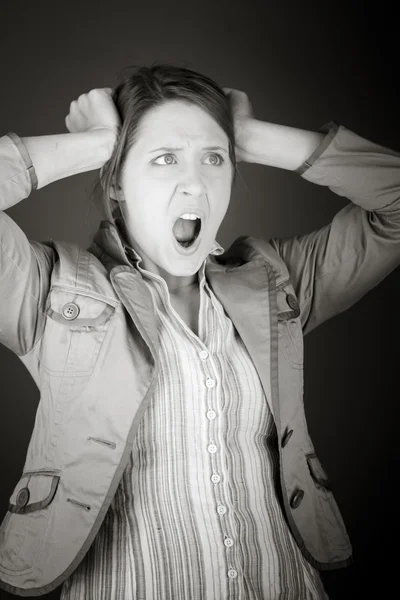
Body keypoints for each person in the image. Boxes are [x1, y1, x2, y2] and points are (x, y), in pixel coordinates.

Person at [0, 63, 399, 600]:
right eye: (164, 159)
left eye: (214, 159)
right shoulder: (51, 292)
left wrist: (252, 137)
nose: (195, 182)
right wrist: (97, 145)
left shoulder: (274, 284)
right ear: (117, 182)